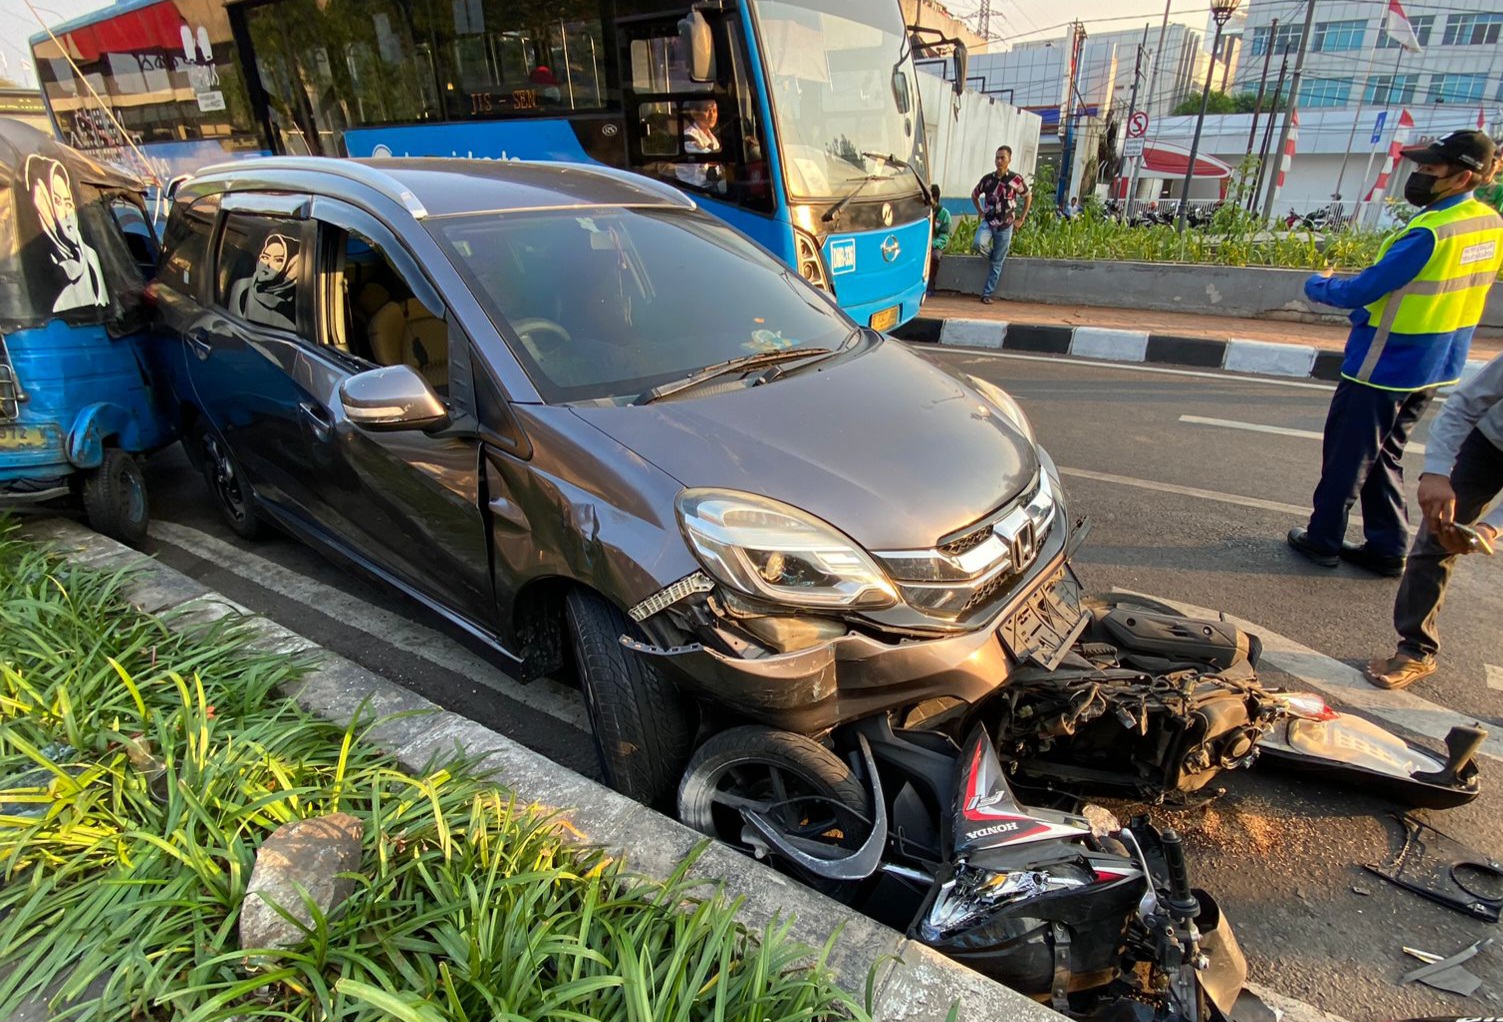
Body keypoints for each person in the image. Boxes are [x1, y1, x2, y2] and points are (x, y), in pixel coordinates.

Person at [1288, 130, 1503, 575]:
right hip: (1437, 362)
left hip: (1384, 363)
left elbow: (1365, 289)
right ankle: (1387, 546)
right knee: (1386, 452)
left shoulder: (1431, 231)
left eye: (1431, 170)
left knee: (1348, 455)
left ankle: (1323, 539)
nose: (1420, 176)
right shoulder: (1489, 224)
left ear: (1463, 177)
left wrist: (1318, 284)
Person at [1366, 351, 1503, 689]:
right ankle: (1416, 649)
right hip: (1490, 441)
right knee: (1437, 538)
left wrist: (1492, 527)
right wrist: (1437, 473)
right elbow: (1463, 405)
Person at [970, 145, 1030, 304]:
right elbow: (974, 195)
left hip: (1006, 224)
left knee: (997, 264)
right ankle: (994, 258)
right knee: (978, 244)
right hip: (989, 222)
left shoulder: (1016, 179)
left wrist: (1021, 219)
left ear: (1009, 159)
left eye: (1002, 157)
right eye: (997, 157)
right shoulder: (987, 179)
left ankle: (986, 294)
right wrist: (981, 212)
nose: (999, 160)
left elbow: (1027, 196)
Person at [677, 99, 725, 193]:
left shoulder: (713, 140)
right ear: (694, 113)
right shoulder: (688, 136)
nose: (712, 115)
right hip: (692, 190)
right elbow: (708, 155)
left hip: (709, 187)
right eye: (707, 110)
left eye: (714, 111)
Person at [928, 184, 951, 297]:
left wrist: (933, 244)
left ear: (935, 198)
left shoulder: (944, 214)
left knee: (934, 257)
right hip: (924, 243)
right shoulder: (923, 212)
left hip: (937, 244)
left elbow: (944, 236)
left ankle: (931, 284)